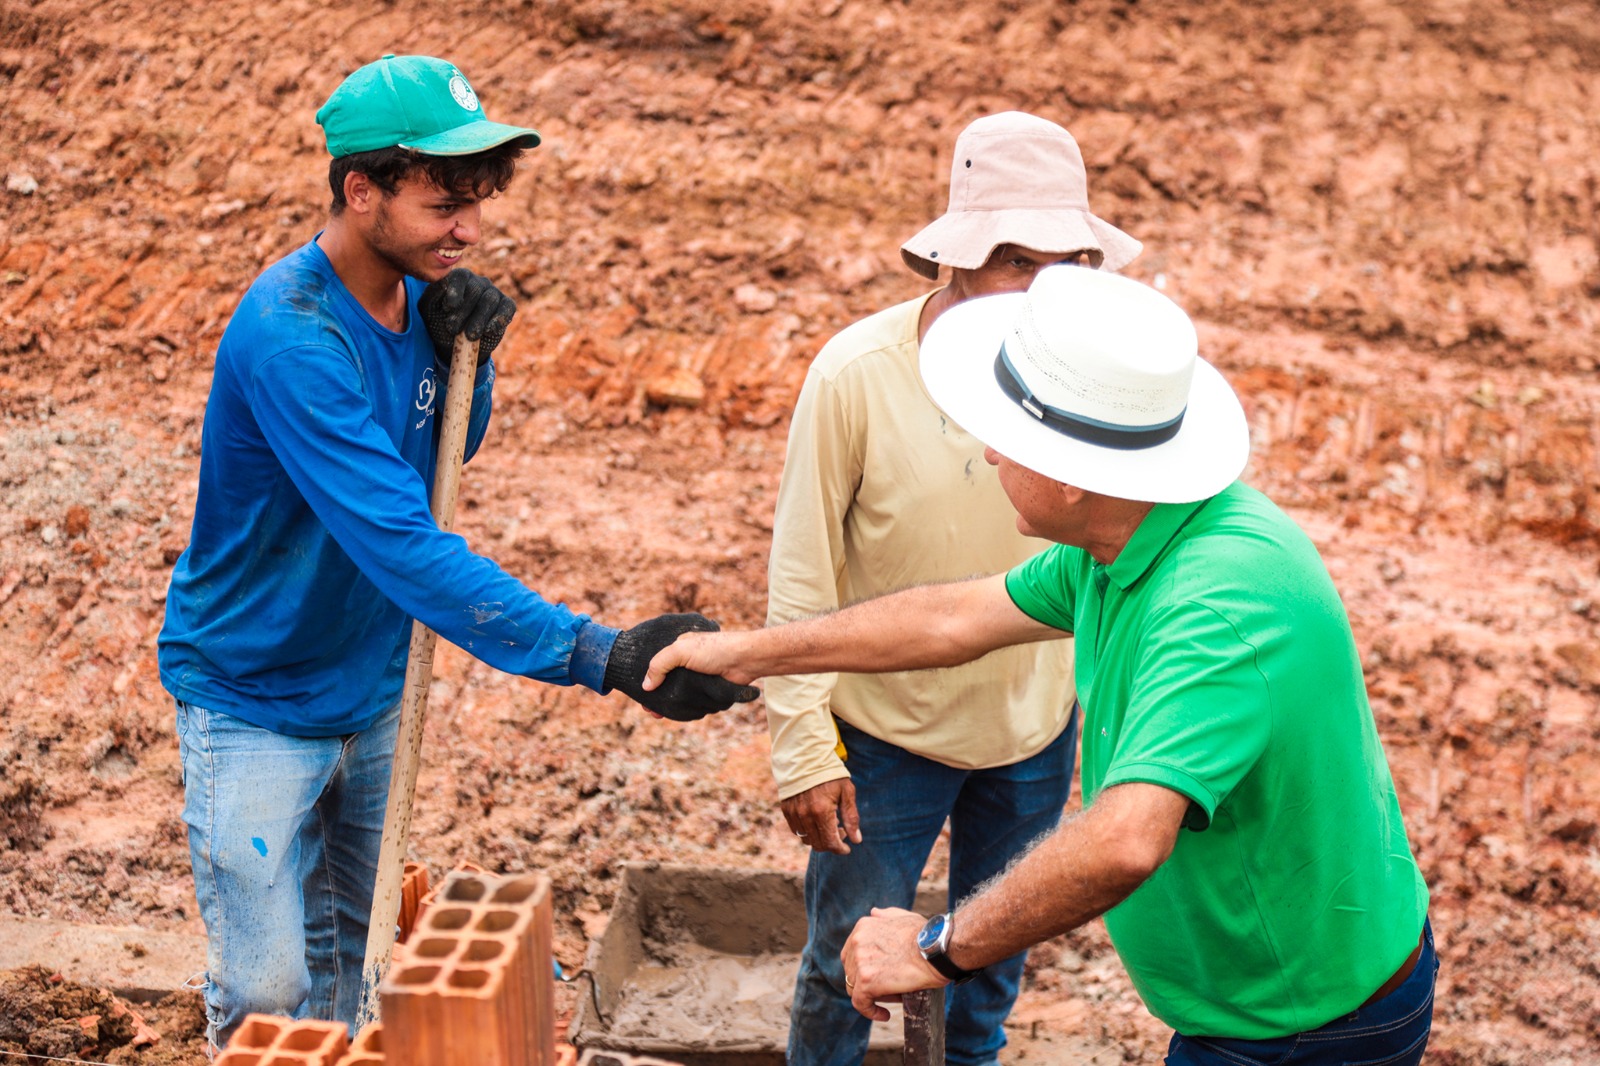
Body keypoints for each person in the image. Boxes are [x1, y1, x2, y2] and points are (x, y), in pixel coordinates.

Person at [646, 265, 1437, 1065]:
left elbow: (1126, 840)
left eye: (1007, 438)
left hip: (1302, 1026)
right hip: (1258, 1002)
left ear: (1069, 472)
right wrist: (746, 652)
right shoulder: (1124, 538)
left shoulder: (1216, 605)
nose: (988, 455)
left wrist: (937, 946)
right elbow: (953, 618)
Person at [157, 54, 755, 1049]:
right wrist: (596, 654)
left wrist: (463, 365)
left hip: (371, 679)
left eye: (474, 203)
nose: (467, 230)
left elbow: (438, 454)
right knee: (267, 987)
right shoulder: (293, 337)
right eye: (442, 203)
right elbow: (405, 544)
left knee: (355, 963)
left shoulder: (412, 301)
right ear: (361, 191)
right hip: (256, 698)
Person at [764, 111, 1141, 1065]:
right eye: (1018, 259)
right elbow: (803, 567)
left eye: (1070, 265)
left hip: (1032, 734)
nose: (1043, 288)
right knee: (840, 970)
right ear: (957, 260)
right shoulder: (859, 376)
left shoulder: (1092, 383)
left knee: (987, 966)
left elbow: (1116, 554)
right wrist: (804, 743)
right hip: (886, 736)